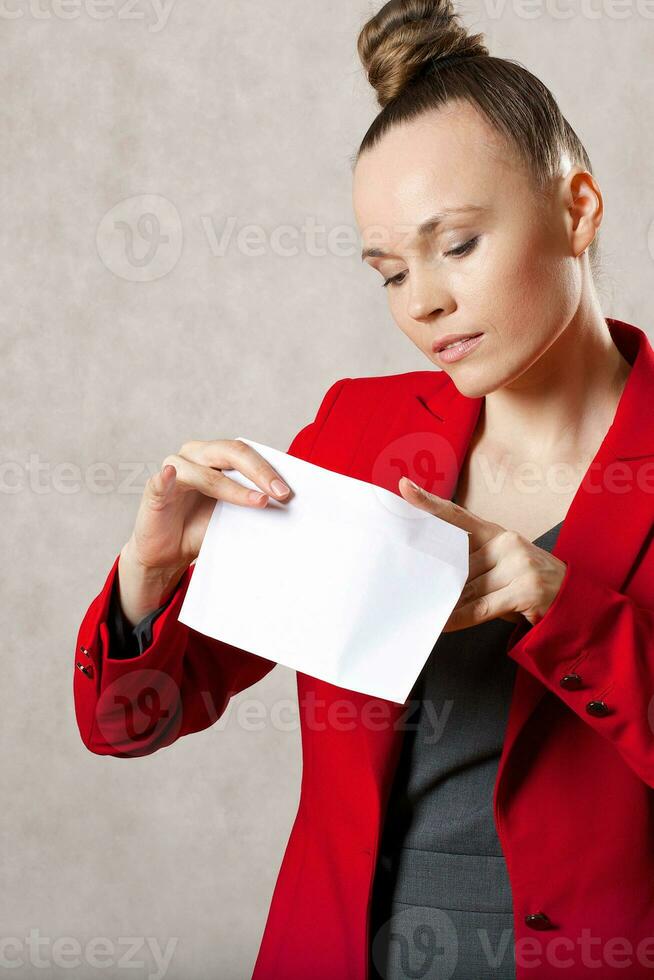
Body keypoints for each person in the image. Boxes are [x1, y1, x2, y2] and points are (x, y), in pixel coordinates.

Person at [73, 1, 654, 978]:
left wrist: (560, 602)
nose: (420, 301)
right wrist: (152, 570)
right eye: (389, 270)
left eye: (457, 243)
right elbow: (134, 719)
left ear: (577, 207)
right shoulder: (358, 434)